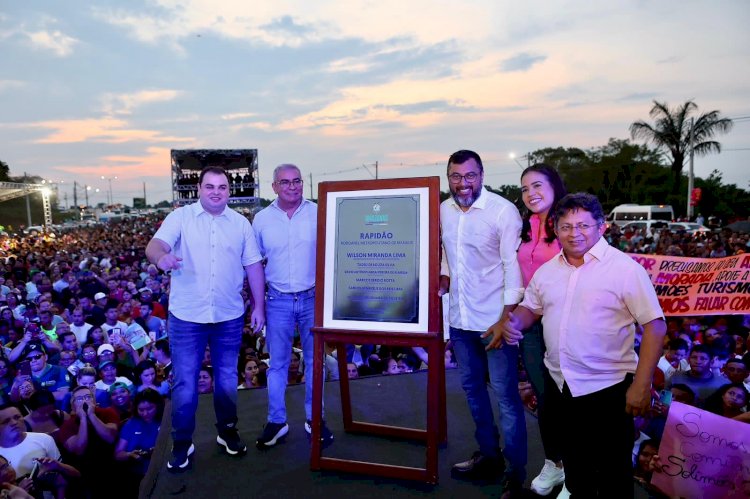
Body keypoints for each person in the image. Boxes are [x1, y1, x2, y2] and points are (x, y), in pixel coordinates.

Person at [493, 192, 666, 498]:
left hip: (608, 389)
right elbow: (531, 307)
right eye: (566, 226)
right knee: (576, 472)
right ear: (556, 230)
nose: (575, 233)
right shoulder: (548, 271)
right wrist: (514, 322)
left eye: (583, 225)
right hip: (561, 387)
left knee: (613, 475)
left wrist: (642, 383)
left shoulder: (625, 269)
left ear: (601, 226)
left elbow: (655, 325)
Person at [145, 165, 266, 471]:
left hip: (228, 316)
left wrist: (259, 307)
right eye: (209, 186)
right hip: (187, 317)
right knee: (185, 383)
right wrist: (162, 258)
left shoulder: (240, 224)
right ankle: (182, 443)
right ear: (198, 189)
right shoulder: (180, 218)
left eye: (222, 187)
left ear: (230, 190)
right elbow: (155, 245)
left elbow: (253, 267)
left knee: (226, 379)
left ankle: (227, 432)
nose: (216, 192)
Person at [438, 150, 527, 495]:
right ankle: (489, 457)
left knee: (506, 398)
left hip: (495, 322)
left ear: (482, 174)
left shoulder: (502, 211)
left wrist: (506, 318)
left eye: (470, 176)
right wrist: (444, 277)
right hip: (460, 320)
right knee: (474, 393)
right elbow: (447, 253)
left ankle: (515, 474)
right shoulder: (444, 209)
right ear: (448, 177)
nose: (463, 183)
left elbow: (511, 267)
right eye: (456, 176)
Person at [252, 164, 331, 448]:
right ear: (274, 186)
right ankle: (276, 421)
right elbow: (255, 265)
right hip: (278, 301)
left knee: (315, 363)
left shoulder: (318, 212)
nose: (293, 186)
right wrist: (257, 306)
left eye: (297, 181)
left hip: (313, 299)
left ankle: (315, 419)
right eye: (285, 182)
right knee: (278, 365)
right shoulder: (261, 219)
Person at [512, 164, 568, 497]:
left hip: (565, 324)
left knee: (569, 398)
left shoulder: (569, 223)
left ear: (554, 186)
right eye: (524, 189)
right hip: (531, 324)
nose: (531, 193)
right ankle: (554, 463)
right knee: (545, 398)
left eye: (537, 185)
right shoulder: (522, 227)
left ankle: (577, 473)